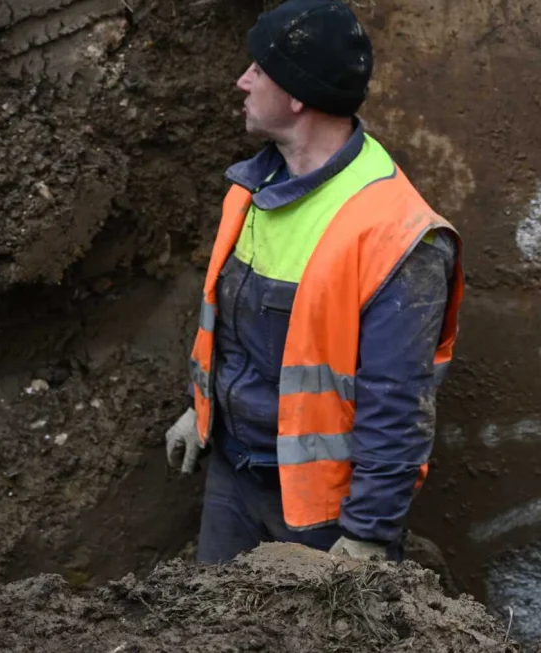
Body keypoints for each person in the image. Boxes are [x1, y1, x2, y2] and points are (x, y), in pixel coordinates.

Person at [163, 0, 463, 564]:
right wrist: (199, 410)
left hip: (323, 514)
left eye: (260, 68)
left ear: (298, 95)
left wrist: (367, 536)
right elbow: (236, 334)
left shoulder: (396, 234)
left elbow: (396, 406)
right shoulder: (251, 190)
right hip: (233, 474)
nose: (242, 81)